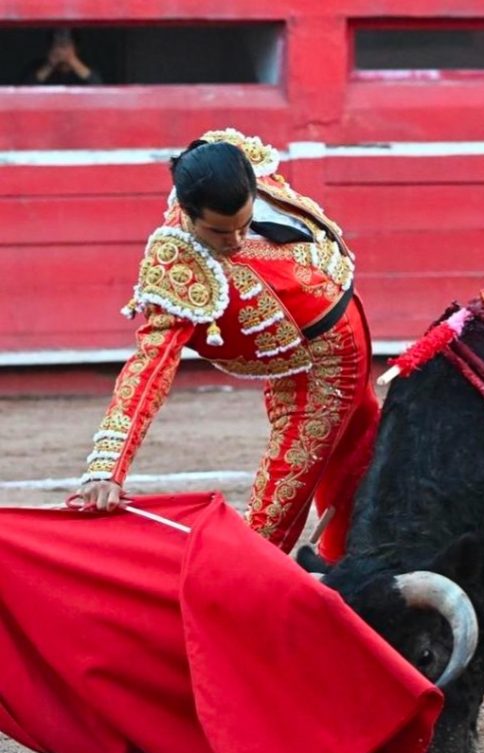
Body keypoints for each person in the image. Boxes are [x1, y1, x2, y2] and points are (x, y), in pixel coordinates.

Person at [77, 128, 380, 559]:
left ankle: (355, 570)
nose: (236, 240)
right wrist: (108, 466)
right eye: (219, 233)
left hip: (332, 352)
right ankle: (353, 567)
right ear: (188, 213)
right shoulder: (178, 266)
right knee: (322, 485)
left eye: (244, 223)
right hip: (308, 364)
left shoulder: (237, 167)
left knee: (300, 506)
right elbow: (150, 368)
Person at [24, 28, 103, 85]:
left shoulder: (86, 66)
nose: (61, 49)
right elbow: (26, 89)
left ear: (76, 48)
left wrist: (73, 61)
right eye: (57, 44)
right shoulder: (37, 66)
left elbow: (98, 86)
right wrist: (50, 65)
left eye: (66, 44)